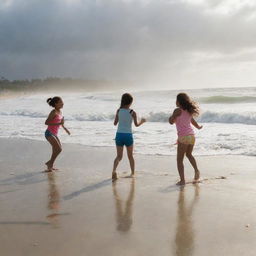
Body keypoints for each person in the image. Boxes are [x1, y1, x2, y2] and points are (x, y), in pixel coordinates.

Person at [169, 93, 202, 185]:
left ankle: (182, 180)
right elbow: (192, 121)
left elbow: (171, 122)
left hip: (183, 137)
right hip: (192, 136)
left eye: (176, 100)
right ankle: (196, 170)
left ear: (179, 102)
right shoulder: (188, 111)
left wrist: (172, 117)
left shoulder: (177, 110)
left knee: (179, 160)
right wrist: (198, 127)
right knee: (189, 155)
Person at [112, 93, 146, 180]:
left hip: (119, 135)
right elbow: (136, 125)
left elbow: (115, 123)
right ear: (130, 102)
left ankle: (114, 171)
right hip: (128, 135)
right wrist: (142, 121)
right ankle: (133, 173)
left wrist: (119, 118)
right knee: (130, 156)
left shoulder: (118, 111)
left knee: (119, 156)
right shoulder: (132, 112)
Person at [44, 97, 70, 172]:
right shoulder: (53, 112)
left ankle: (50, 165)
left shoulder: (60, 112)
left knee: (56, 150)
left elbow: (61, 124)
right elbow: (46, 122)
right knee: (59, 149)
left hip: (54, 134)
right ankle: (50, 163)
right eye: (61, 102)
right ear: (56, 103)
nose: (63, 103)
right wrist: (59, 123)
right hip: (49, 133)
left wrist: (65, 129)